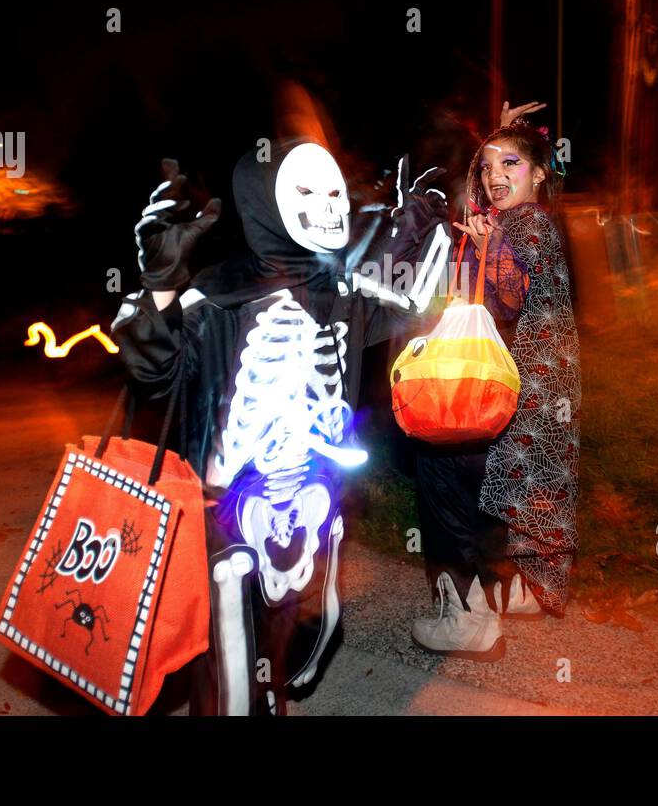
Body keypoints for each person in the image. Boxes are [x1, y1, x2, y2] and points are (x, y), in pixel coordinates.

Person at [112, 139, 451, 713]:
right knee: (227, 660)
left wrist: (415, 226)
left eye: (333, 189)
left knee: (288, 626)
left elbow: (414, 304)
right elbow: (153, 371)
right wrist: (162, 283)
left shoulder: (341, 291)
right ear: (263, 202)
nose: (328, 204)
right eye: (304, 190)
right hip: (228, 514)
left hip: (315, 499)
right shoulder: (217, 293)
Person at [410, 102, 582, 660]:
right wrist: (498, 137)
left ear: (538, 174)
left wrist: (491, 252)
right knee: (503, 486)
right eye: (487, 167)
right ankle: (519, 589)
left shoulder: (525, 225)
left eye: (510, 164)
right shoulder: (523, 217)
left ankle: (468, 614)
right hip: (542, 391)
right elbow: (479, 198)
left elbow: (508, 297)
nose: (493, 176)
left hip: (523, 393)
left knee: (445, 464)